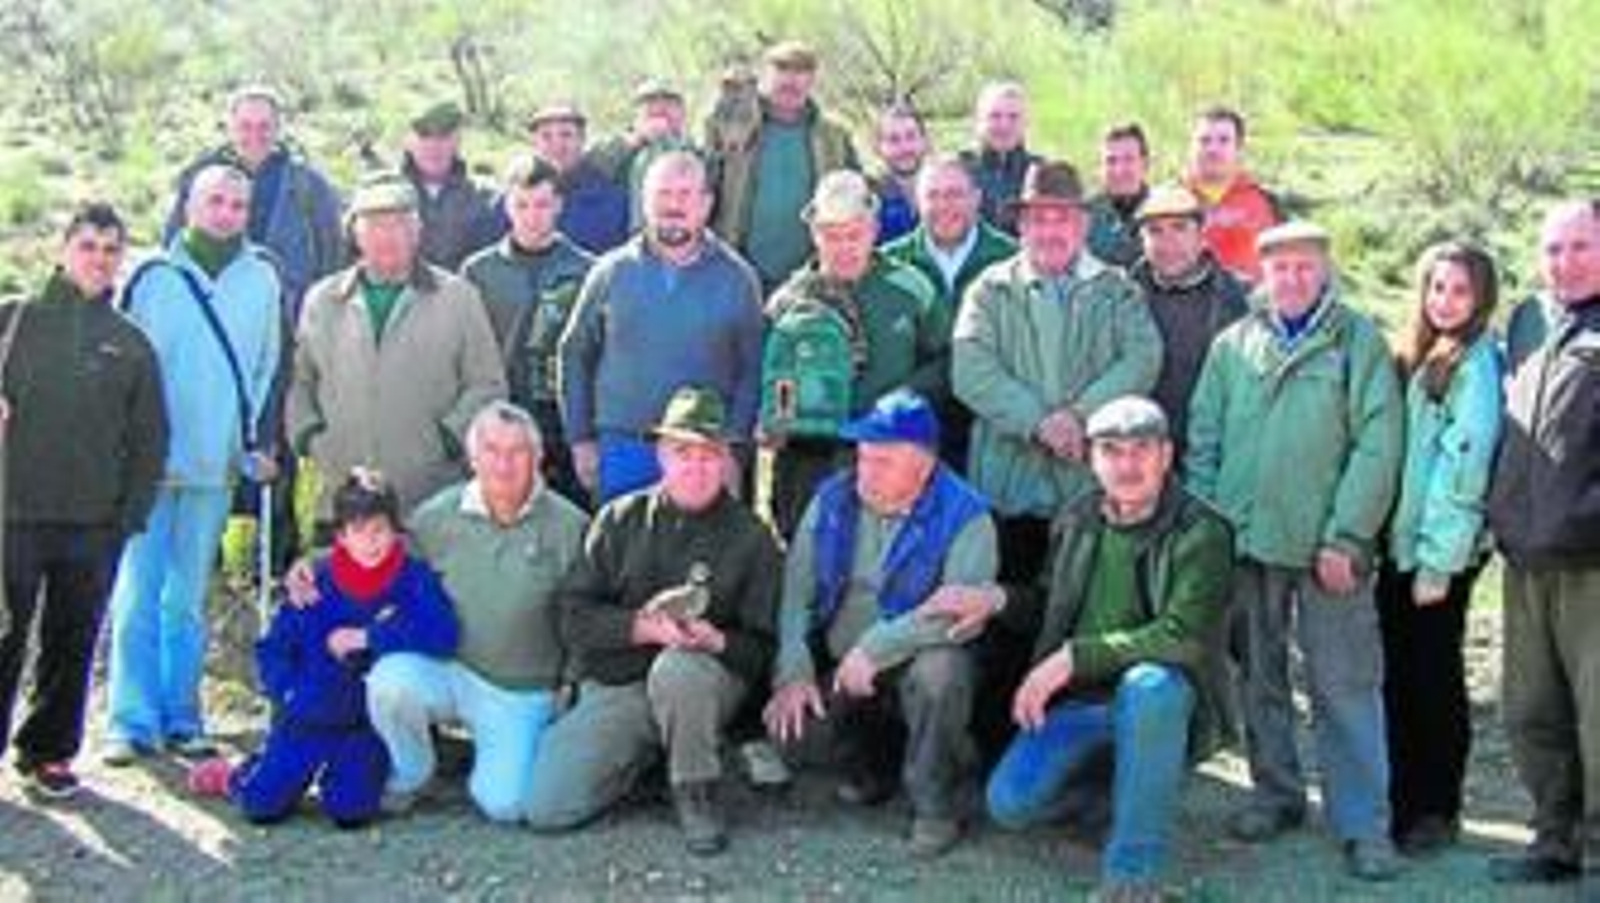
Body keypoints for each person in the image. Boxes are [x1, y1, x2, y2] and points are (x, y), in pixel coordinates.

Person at [927, 396, 1232, 900]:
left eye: (1141, 450)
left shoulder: (1202, 531)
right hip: (1082, 702)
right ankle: (1124, 796)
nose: (1127, 465)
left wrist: (1073, 656)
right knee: (1009, 805)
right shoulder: (1078, 518)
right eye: (1111, 450)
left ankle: (1132, 875)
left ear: (1166, 455)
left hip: (1162, 703)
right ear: (1092, 458)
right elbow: (1051, 603)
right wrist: (995, 598)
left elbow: (1182, 636)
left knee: (1150, 685)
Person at [1186, 220, 1404, 880]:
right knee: (1260, 677)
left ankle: (1363, 822)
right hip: (1248, 541)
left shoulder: (1356, 340)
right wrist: (1212, 525)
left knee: (1344, 683)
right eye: (1280, 268)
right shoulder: (1235, 344)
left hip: (1325, 548)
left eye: (1305, 267)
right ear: (1262, 272)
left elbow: (1379, 441)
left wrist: (1348, 534)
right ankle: (1276, 793)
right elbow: (1204, 433)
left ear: (1325, 268)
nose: (1293, 279)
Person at [953, 160, 1161, 763]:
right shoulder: (990, 289)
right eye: (1039, 217)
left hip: (1087, 494)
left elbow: (1142, 357)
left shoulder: (1117, 290)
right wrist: (1039, 421)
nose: (1050, 229)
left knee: (1081, 623)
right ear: (1022, 224)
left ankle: (1076, 760)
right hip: (1009, 489)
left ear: (1082, 223)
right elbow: (971, 368)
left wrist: (1083, 417)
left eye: (1062, 218)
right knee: (1002, 620)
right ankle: (996, 754)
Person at [524, 387, 781, 856]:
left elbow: (764, 650)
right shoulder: (619, 519)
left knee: (679, 669)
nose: (696, 466)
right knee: (547, 806)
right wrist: (642, 628)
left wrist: (715, 641)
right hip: (622, 685)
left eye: (709, 454)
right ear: (661, 454)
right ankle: (648, 761)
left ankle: (695, 791)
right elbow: (573, 617)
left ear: (726, 460)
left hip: (703, 686)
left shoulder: (753, 538)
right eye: (683, 452)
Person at [763, 390, 997, 857]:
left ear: (925, 464)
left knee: (940, 673)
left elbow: (956, 615)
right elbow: (796, 592)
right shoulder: (833, 497)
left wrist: (876, 648)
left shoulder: (968, 515)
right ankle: (875, 767)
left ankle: (935, 803)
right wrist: (794, 669)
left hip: (912, 663)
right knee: (791, 737)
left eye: (883, 461)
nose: (865, 471)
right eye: (864, 456)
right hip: (845, 665)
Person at [105, 164, 283, 763]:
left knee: (185, 598)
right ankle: (130, 720)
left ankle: (182, 715)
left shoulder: (262, 278)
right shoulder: (150, 277)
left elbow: (264, 367)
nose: (226, 212)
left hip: (214, 462)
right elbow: (121, 368)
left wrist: (250, 439)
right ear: (189, 206)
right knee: (138, 590)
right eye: (215, 201)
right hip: (147, 465)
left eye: (237, 204)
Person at [0, 204, 167, 798]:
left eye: (111, 249)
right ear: (62, 248)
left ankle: (47, 752)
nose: (99, 258)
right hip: (11, 514)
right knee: (4, 636)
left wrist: (129, 516)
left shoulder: (131, 344)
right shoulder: (15, 321)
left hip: (92, 522)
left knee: (73, 640)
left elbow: (151, 439)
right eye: (88, 245)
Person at [188, 470, 457, 827]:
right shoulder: (315, 581)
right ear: (342, 537)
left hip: (364, 725)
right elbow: (274, 649)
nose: (371, 543)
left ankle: (337, 778)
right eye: (359, 532)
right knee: (261, 806)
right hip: (305, 715)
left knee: (350, 810)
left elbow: (443, 633)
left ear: (395, 531)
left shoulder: (412, 578)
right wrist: (287, 691)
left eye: (379, 530)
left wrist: (371, 637)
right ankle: (236, 774)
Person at [365, 402, 588, 821]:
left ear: (538, 458)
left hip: (521, 691)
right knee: (389, 682)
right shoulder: (436, 518)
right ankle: (413, 773)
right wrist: (315, 566)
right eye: (491, 450)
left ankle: (497, 754)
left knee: (505, 805)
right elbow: (377, 563)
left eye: (518, 451)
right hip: (449, 670)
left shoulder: (570, 527)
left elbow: (585, 617)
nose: (504, 463)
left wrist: (570, 685)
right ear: (472, 458)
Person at [1485, 200, 1600, 890]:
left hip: (1592, 562)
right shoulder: (1534, 327)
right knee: (1531, 710)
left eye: (1580, 246)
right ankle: (1554, 838)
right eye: (1553, 249)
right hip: (1527, 558)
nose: (1565, 262)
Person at [287, 173, 506, 527]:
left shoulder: (458, 297)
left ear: (417, 231)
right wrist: (310, 437)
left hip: (430, 497)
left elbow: (487, 383)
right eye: (374, 225)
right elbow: (300, 380)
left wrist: (448, 439)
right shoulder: (323, 300)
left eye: (399, 225)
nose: (387, 236)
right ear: (355, 233)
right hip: (343, 494)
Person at [1377, 241, 1503, 856]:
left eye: (1459, 290)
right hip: (1402, 545)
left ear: (1480, 298)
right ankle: (1404, 798)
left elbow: (1463, 471)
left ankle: (1436, 807)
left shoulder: (1476, 367)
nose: (1445, 300)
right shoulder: (1420, 355)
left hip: (1437, 552)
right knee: (1398, 673)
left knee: (1432, 676)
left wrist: (1437, 562)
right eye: (1436, 287)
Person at [558, 151, 764, 503]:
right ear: (645, 201)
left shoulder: (738, 278)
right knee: (622, 554)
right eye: (663, 195)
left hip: (703, 454)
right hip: (624, 450)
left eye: (684, 195)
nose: (673, 205)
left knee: (701, 556)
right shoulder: (611, 272)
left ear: (706, 204)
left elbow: (753, 368)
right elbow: (574, 353)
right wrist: (580, 440)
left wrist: (733, 446)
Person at [760, 170, 948, 538]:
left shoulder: (910, 288)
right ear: (814, 234)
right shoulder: (787, 302)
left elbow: (944, 360)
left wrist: (903, 400)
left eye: (854, 234)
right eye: (832, 236)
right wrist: (777, 419)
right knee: (805, 561)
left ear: (874, 229)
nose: (844, 247)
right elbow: (774, 375)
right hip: (808, 461)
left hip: (889, 452)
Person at [462, 155, 594, 502]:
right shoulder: (479, 272)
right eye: (522, 205)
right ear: (507, 206)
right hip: (501, 418)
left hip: (564, 423)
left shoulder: (587, 270)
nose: (532, 216)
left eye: (542, 205)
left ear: (559, 206)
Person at [881, 155, 1017, 468]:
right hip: (912, 427)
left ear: (977, 198)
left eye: (955, 194)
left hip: (991, 427)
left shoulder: (1010, 260)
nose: (944, 206)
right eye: (933, 195)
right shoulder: (890, 264)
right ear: (917, 201)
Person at [163, 85, 343, 313]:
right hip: (214, 314)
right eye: (245, 126)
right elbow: (173, 246)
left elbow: (333, 258)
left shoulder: (309, 186)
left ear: (278, 129)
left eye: (264, 126)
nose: (254, 136)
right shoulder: (199, 179)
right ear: (230, 128)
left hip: (288, 320)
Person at [704, 40, 858, 290]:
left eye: (801, 72)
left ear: (812, 80)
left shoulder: (835, 136)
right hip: (739, 271)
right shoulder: (733, 126)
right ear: (765, 76)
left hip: (812, 277)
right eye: (782, 71)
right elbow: (703, 181)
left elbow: (855, 197)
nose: (791, 81)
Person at [1125, 185, 1248, 461]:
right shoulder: (1122, 295)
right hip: (1137, 450)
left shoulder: (1239, 298)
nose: (1168, 242)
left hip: (1210, 451)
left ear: (1202, 236)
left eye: (1180, 228)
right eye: (1155, 231)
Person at [1182, 106, 1280, 283]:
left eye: (1224, 141)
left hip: (1252, 305)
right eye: (1204, 141)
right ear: (1190, 147)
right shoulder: (1167, 200)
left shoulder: (1267, 200)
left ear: (1239, 148)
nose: (1213, 149)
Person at [400, 101, 502, 271]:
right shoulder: (382, 192)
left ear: (457, 141)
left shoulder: (486, 195)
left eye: (443, 137)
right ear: (408, 142)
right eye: (424, 136)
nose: (434, 146)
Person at [588, 80, 699, 234]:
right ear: (636, 114)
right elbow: (593, 164)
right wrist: (637, 139)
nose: (660, 108)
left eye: (669, 103)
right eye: (650, 103)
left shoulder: (696, 152)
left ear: (682, 112)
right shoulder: (615, 148)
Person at [529, 103, 631, 256]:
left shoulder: (613, 199)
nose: (557, 144)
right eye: (546, 136)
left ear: (582, 140)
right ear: (535, 144)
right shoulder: (517, 198)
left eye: (566, 135)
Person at [958, 82, 1040, 235]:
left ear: (1025, 123)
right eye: (994, 116)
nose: (1004, 125)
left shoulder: (1040, 170)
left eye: (1013, 117)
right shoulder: (959, 169)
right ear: (979, 121)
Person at [1085, 123, 1152, 268]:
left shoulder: (1163, 212)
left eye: (1129, 159)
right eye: (1111, 161)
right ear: (1099, 167)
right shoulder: (1083, 217)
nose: (1119, 170)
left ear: (1145, 164)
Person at [869, 102, 929, 245]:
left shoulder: (947, 192)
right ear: (878, 148)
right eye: (893, 140)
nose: (905, 148)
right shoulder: (869, 199)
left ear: (924, 141)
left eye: (911, 136)